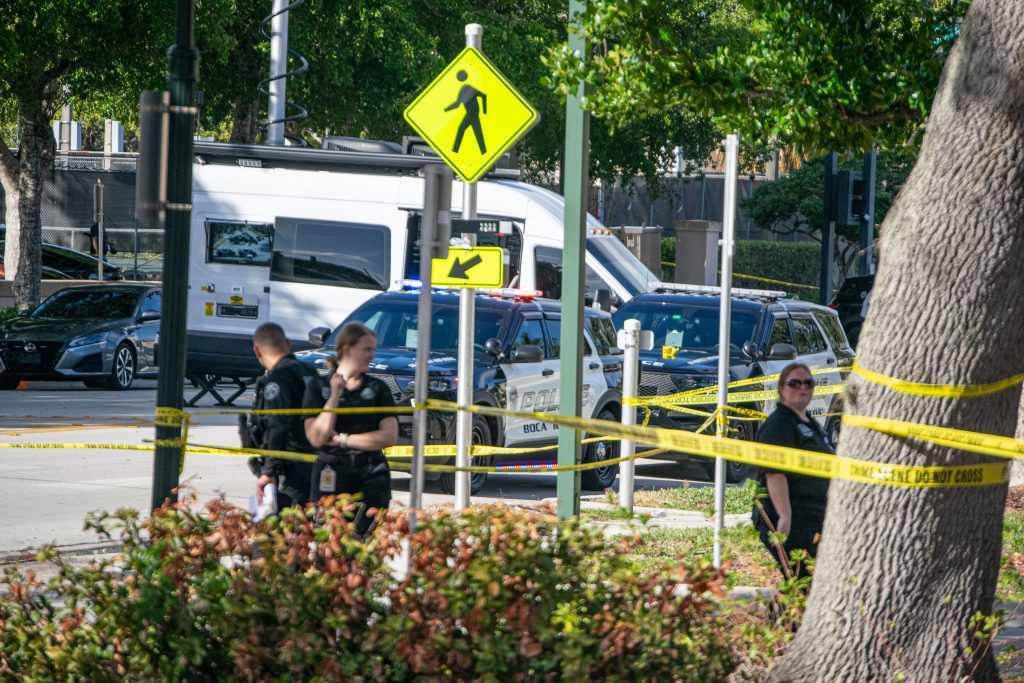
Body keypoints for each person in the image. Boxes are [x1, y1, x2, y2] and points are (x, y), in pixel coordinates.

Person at [304, 322, 398, 536]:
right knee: (329, 543)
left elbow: (388, 435)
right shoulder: (318, 387)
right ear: (347, 349)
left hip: (370, 475)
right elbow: (317, 437)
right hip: (332, 474)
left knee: (364, 542)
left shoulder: (377, 388)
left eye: (373, 349)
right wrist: (335, 397)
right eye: (367, 349)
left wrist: (343, 440)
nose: (372, 355)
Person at [751, 362, 836, 579]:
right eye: (794, 383)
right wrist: (784, 515)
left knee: (804, 583)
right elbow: (774, 473)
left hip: (812, 518)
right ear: (781, 389)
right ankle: (780, 613)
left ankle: (782, 612)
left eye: (808, 383)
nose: (802, 388)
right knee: (801, 580)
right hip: (791, 520)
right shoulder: (779, 424)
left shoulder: (810, 423)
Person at [242, 322, 319, 510]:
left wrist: (269, 471)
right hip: (315, 461)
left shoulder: (279, 379)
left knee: (282, 531)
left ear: (257, 351)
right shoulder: (309, 371)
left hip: (290, 467)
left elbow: (278, 426)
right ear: (288, 344)